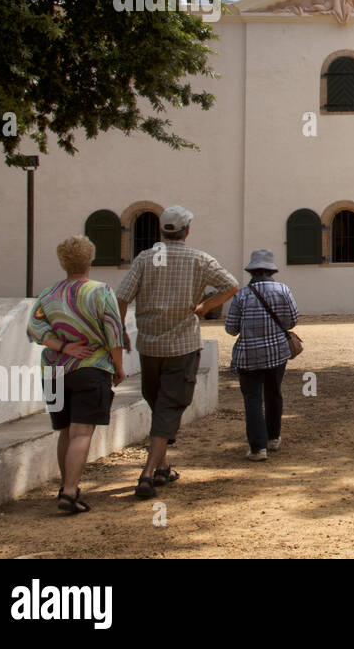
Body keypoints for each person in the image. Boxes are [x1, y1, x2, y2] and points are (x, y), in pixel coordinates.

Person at [116, 205, 238, 499]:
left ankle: (162, 467)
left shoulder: (146, 258)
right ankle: (147, 473)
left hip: (150, 345)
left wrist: (120, 330)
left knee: (158, 403)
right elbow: (232, 285)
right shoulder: (199, 259)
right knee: (169, 406)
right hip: (182, 345)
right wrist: (206, 307)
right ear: (187, 231)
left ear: (162, 230)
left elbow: (120, 297)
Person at [26, 235, 126, 514]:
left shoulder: (48, 293)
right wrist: (118, 367)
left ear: (63, 262)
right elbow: (114, 334)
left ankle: (65, 487)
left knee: (65, 431)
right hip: (90, 368)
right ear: (90, 260)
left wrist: (64, 346)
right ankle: (70, 492)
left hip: (54, 372)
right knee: (82, 433)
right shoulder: (100, 291)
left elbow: (35, 329)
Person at [224, 249, 299, 461]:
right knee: (274, 393)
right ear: (271, 271)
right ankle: (273, 437)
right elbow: (292, 320)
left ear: (253, 272)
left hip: (249, 355)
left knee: (252, 399)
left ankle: (258, 448)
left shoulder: (242, 295)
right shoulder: (283, 290)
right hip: (277, 352)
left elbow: (231, 329)